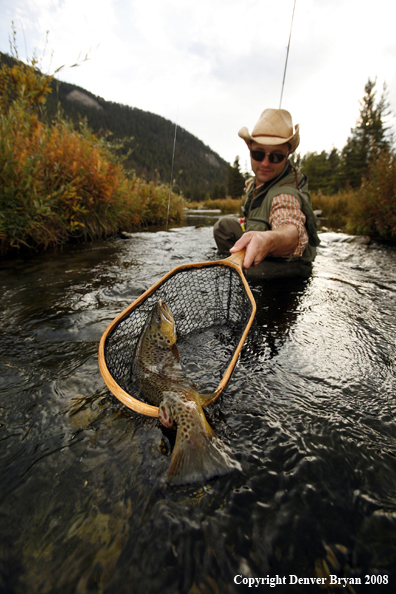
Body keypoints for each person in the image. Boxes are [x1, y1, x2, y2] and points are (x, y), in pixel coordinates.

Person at [213, 108, 320, 275]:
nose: (265, 163)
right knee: (224, 227)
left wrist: (267, 240)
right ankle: (237, 266)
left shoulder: (285, 194)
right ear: (249, 147)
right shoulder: (255, 183)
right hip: (261, 249)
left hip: (290, 268)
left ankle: (244, 272)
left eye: (276, 156)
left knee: (252, 273)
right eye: (258, 153)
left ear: (288, 153)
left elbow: (291, 228)